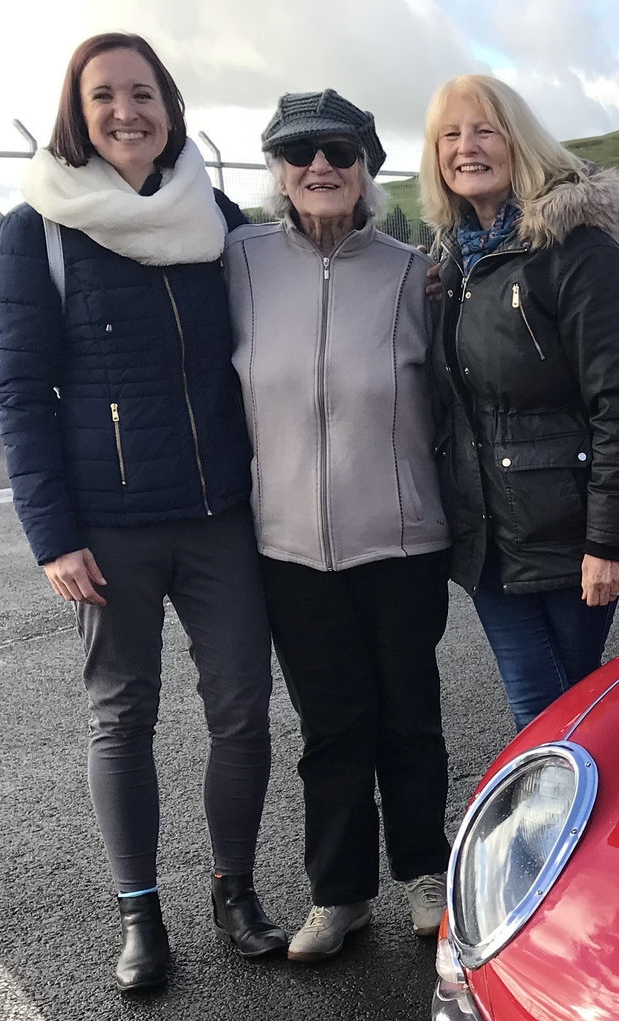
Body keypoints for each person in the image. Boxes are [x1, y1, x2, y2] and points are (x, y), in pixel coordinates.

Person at [0, 33, 284, 994]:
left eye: (144, 92)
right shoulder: (38, 226)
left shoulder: (219, 214)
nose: (128, 110)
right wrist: (52, 535)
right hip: (107, 526)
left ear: (171, 106)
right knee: (122, 717)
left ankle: (232, 890)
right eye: (105, 94)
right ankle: (139, 913)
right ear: (78, 110)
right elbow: (22, 391)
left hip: (218, 515)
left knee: (242, 710)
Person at [224, 91, 453, 961]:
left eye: (340, 151)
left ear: (368, 168)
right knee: (331, 725)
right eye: (299, 152)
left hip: (401, 540)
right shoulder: (238, 262)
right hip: (286, 544)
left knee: (409, 713)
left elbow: (453, 399)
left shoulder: (410, 272)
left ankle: (424, 873)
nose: (320, 166)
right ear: (277, 171)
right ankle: (339, 892)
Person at [419, 74, 619, 732]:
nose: (466, 147)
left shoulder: (579, 253)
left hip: (566, 534)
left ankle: (579, 832)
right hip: (489, 539)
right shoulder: (452, 265)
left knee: (553, 716)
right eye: (449, 135)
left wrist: (606, 542)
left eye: (484, 130)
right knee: (560, 712)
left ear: (519, 143)